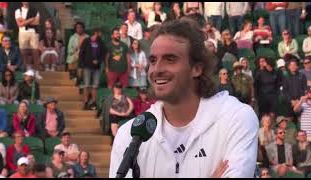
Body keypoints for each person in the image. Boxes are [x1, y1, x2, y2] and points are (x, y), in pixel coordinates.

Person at [110, 18, 259, 178]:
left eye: (170, 59)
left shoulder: (236, 118)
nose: (157, 69)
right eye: (153, 60)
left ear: (196, 68)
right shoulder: (129, 136)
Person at [79, 28, 106, 110]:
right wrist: (81, 65)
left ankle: (94, 102)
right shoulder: (86, 41)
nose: (101, 35)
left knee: (95, 86)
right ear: (96, 33)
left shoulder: (101, 42)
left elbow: (103, 54)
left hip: (96, 68)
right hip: (87, 66)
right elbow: (81, 53)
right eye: (100, 33)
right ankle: (86, 102)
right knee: (86, 85)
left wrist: (98, 61)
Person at [15, 2, 42, 79]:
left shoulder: (35, 10)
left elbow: (37, 22)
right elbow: (19, 24)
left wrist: (24, 21)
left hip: (34, 33)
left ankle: (36, 72)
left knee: (35, 52)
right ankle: (27, 71)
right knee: (23, 52)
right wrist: (31, 19)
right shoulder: (18, 11)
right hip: (22, 33)